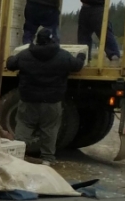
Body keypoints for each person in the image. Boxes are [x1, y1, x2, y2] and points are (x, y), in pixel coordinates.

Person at [6, 27, 85, 164]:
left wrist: (10, 57)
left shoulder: (25, 55)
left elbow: (11, 64)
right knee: (49, 129)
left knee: (24, 126)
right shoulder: (62, 55)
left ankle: (17, 157)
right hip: (52, 101)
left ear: (37, 40)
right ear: (52, 40)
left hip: (28, 100)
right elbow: (77, 66)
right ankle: (47, 158)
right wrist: (81, 56)